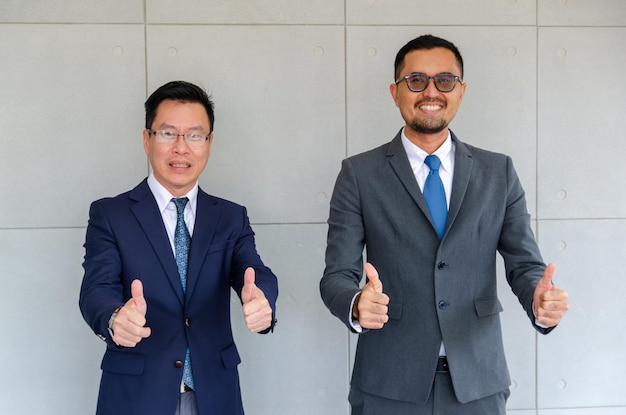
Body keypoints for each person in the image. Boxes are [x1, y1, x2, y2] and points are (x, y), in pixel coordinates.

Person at [320, 34, 569, 415]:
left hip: (478, 382)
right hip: (388, 382)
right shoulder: (359, 174)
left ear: (461, 91)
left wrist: (539, 299)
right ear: (395, 91)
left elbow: (525, 264)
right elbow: (337, 274)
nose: (431, 91)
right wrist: (356, 304)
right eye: (416, 80)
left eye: (445, 80)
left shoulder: (498, 171)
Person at [79, 80, 278, 415]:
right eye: (168, 133)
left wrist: (262, 299)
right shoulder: (111, 215)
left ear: (209, 143)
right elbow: (96, 289)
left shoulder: (230, 217)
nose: (181, 148)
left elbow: (253, 271)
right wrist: (115, 318)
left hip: (215, 394)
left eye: (195, 135)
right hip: (137, 395)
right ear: (147, 139)